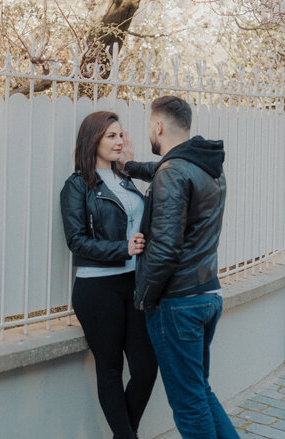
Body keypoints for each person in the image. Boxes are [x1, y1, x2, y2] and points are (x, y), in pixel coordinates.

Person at [121, 95, 240, 439]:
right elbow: (164, 172)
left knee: (188, 404)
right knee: (200, 391)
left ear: (158, 126)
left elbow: (165, 248)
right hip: (207, 295)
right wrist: (130, 166)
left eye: (149, 126)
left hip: (178, 303)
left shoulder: (173, 173)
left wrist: (143, 298)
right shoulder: (205, 165)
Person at [60, 111, 158, 439]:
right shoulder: (77, 186)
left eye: (121, 135)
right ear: (93, 141)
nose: (119, 141)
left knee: (145, 368)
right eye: (111, 136)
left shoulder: (128, 180)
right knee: (111, 366)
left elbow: (168, 175)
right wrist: (122, 249)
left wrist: (131, 164)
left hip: (134, 284)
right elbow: (76, 241)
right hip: (96, 286)